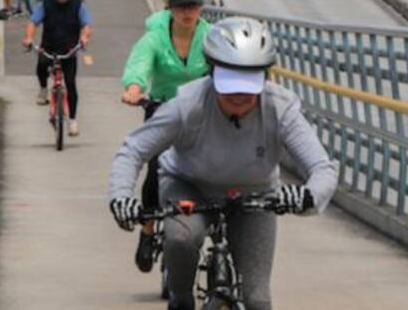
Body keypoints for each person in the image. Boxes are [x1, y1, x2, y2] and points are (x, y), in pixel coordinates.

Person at [108, 17, 337, 310]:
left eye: (249, 85)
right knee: (181, 238)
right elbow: (133, 150)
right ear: (212, 73)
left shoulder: (280, 108)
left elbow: (322, 167)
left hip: (255, 196)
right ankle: (180, 300)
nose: (239, 96)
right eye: (230, 85)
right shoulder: (187, 104)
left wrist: (307, 196)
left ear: (265, 78)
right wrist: (121, 198)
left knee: (257, 299)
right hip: (189, 187)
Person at [119, 0, 212, 273]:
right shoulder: (155, 37)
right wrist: (134, 88)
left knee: (213, 167)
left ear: (200, 9)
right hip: (162, 109)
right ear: (170, 9)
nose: (187, 12)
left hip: (200, 112)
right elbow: (140, 64)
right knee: (156, 170)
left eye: (193, 6)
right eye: (181, 7)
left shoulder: (210, 37)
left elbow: (226, 64)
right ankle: (147, 231)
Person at [22, 0, 92, 136]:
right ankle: (43, 89)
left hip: (69, 51)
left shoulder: (79, 6)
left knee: (71, 84)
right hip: (49, 48)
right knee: (41, 65)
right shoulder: (45, 5)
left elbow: (86, 25)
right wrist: (29, 38)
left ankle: (72, 120)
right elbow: (33, 22)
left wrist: (84, 38)